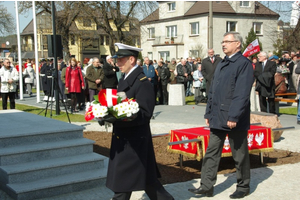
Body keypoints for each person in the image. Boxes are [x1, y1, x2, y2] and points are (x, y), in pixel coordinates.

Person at [102, 43, 174, 200]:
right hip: (126, 138)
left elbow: (145, 113)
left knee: (122, 184)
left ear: (132, 59)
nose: (117, 63)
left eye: (120, 60)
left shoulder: (142, 82)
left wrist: (119, 116)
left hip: (134, 140)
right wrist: (105, 114)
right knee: (148, 181)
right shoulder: (126, 78)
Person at [188, 31, 254, 199]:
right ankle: (206, 186)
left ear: (237, 44)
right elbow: (213, 91)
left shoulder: (243, 64)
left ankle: (243, 186)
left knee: (239, 154)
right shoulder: (222, 63)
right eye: (223, 41)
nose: (223, 44)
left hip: (234, 118)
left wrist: (234, 116)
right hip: (217, 116)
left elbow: (241, 93)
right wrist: (208, 111)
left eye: (227, 41)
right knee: (211, 153)